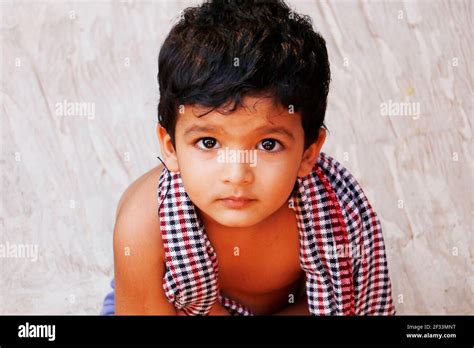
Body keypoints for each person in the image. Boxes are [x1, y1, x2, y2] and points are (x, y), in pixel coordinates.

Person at [101, 0, 395, 316]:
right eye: (208, 142)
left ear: (309, 152)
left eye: (268, 145)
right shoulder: (145, 225)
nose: (238, 174)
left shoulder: (337, 214)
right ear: (170, 147)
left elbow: (337, 303)